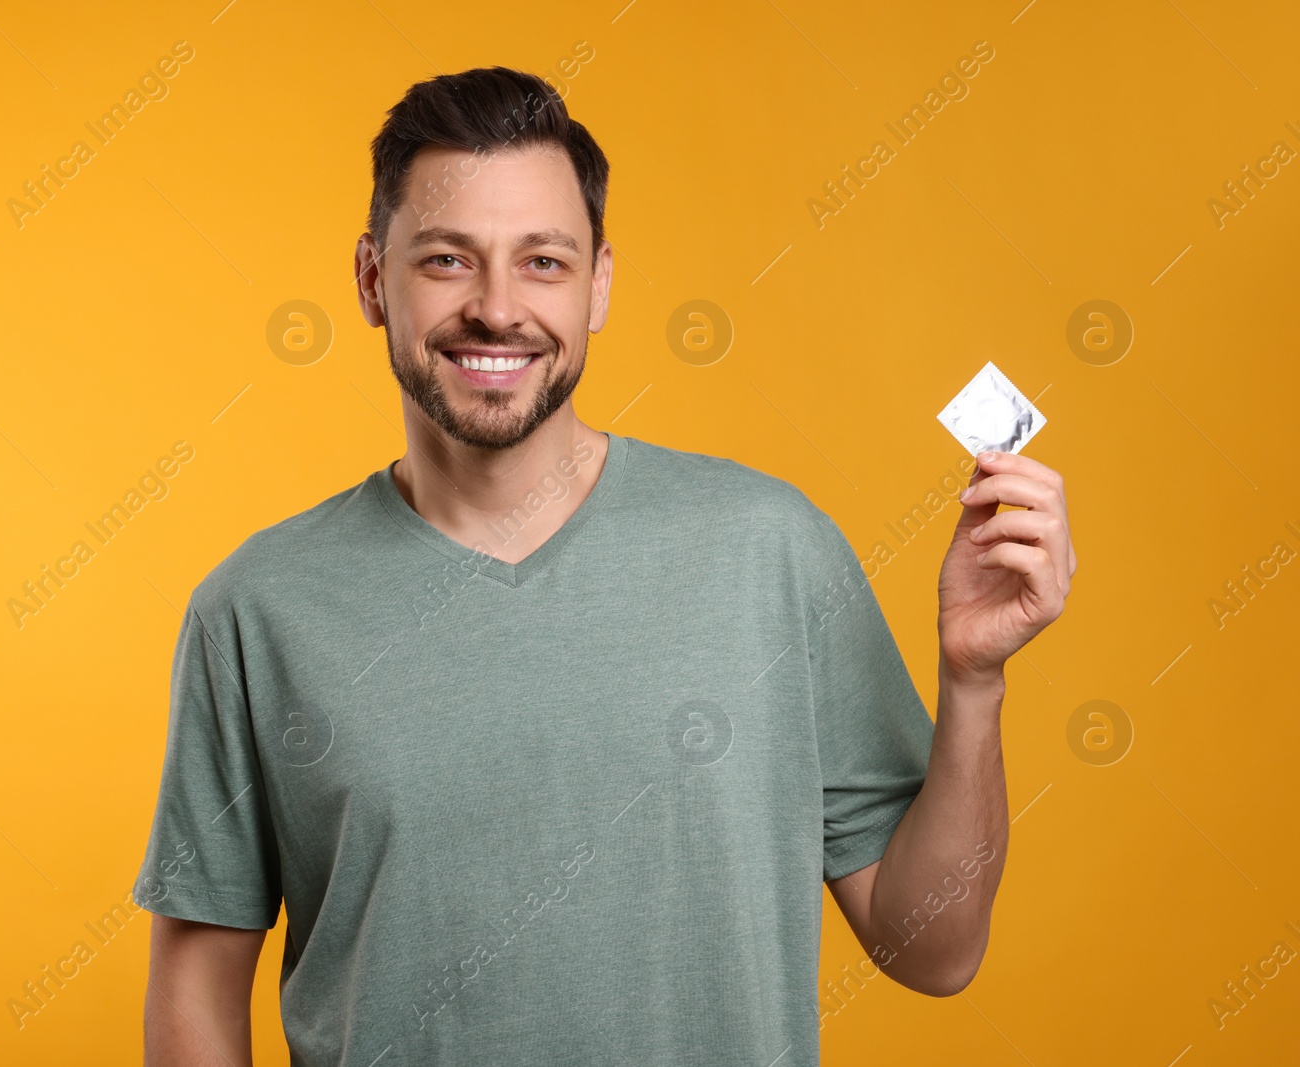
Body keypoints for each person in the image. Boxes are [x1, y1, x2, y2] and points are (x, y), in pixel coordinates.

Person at [136, 66, 1075, 1066]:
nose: (497, 309)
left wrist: (974, 681)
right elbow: (195, 987)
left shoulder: (770, 550)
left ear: (599, 285)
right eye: (447, 259)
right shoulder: (258, 607)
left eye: (542, 261)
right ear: (373, 280)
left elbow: (931, 947)